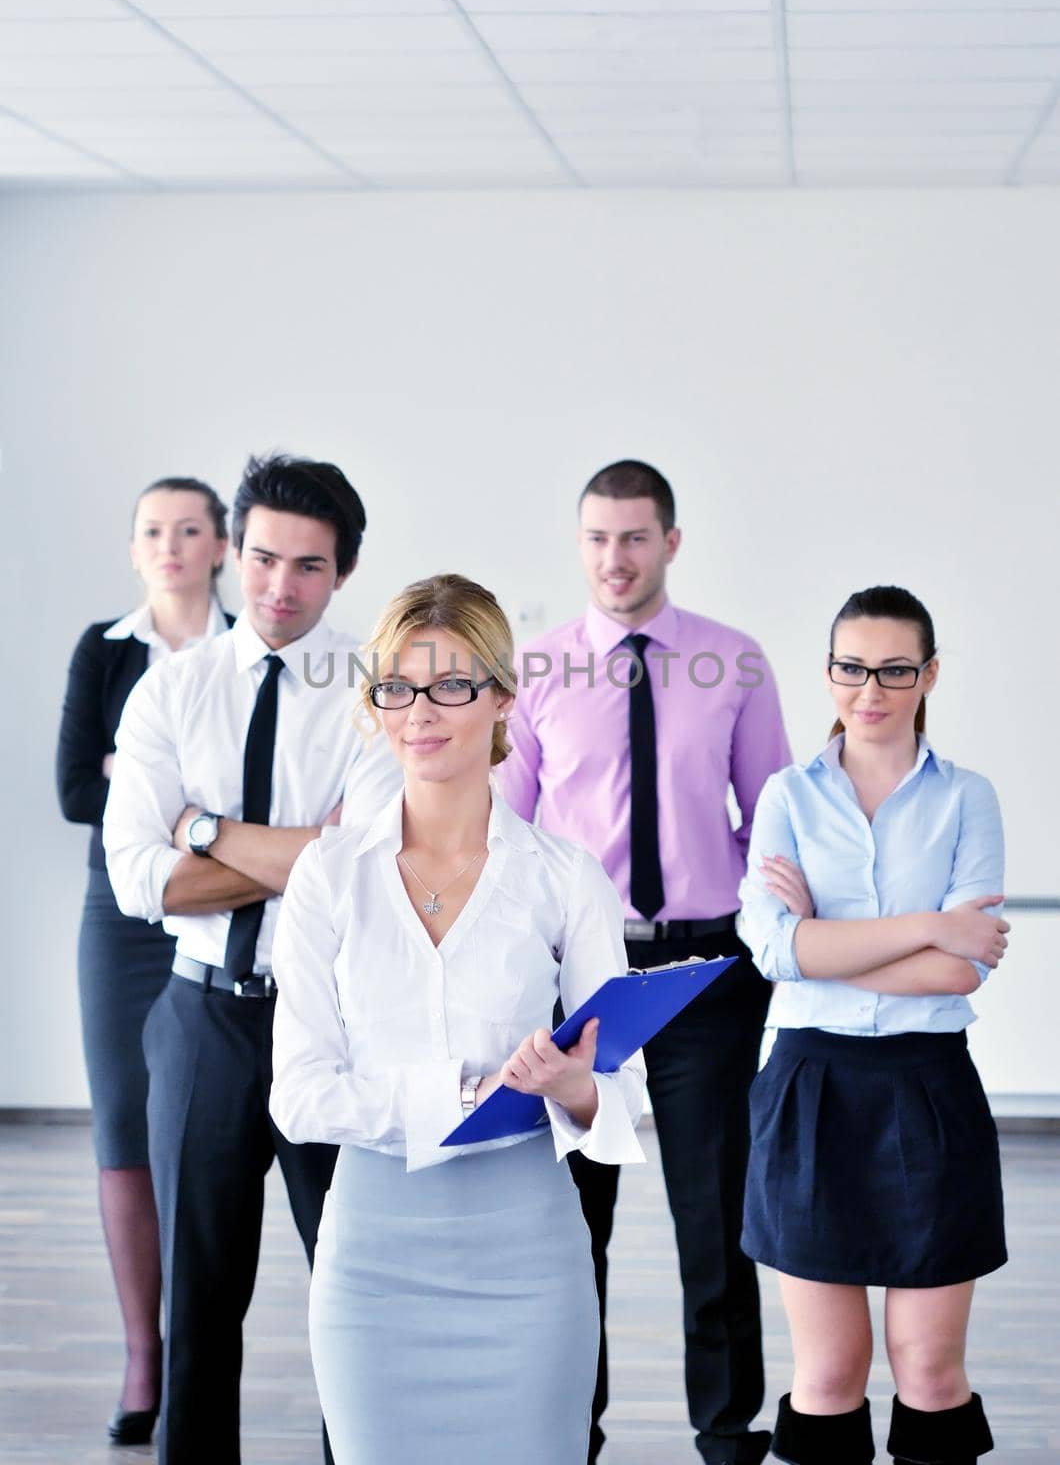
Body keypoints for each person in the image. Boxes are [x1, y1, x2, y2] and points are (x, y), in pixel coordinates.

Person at [269, 574, 647, 1465]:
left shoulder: (565, 875)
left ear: (502, 697)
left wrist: (575, 1088)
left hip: (531, 1260)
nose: (420, 712)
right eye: (396, 688)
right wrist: (461, 1093)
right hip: (370, 1263)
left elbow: (625, 1095)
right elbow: (299, 1098)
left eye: (450, 685)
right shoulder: (329, 877)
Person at [103, 453, 401, 1465]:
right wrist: (294, 848)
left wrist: (203, 827)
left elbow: (362, 870)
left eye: (308, 566)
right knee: (200, 1300)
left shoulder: (378, 696)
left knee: (346, 1296)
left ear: (343, 572)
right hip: (201, 1021)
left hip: (334, 1022)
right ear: (235, 550)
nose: (279, 587)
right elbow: (140, 882)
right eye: (265, 557)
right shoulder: (169, 693)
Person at [499, 459, 791, 1465]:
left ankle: (726, 1433)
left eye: (632, 537)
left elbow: (772, 823)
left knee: (713, 1218)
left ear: (670, 541)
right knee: (574, 1225)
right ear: (577, 544)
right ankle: (566, 1433)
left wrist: (765, 944)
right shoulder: (534, 672)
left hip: (704, 971)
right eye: (595, 538)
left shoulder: (735, 662)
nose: (613, 558)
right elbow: (508, 835)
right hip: (580, 977)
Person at [737, 584, 1007, 1465]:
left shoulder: (968, 797)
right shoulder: (785, 794)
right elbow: (776, 953)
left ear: (928, 676)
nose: (872, 688)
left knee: (929, 1369)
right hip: (812, 1089)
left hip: (930, 1086)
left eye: (896, 669)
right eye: (853, 667)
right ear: (828, 673)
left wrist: (829, 938)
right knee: (827, 1375)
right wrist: (929, 921)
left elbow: (962, 967)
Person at [56, 474, 231, 1446]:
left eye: (189, 529)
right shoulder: (106, 650)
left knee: (203, 1129)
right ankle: (142, 1356)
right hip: (121, 916)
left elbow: (257, 785)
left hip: (229, 902)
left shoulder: (248, 652)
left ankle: (201, 1344)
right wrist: (176, 793)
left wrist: (150, 779)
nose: (170, 544)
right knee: (123, 1124)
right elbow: (78, 785)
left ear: (220, 547)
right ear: (134, 550)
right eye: (152, 531)